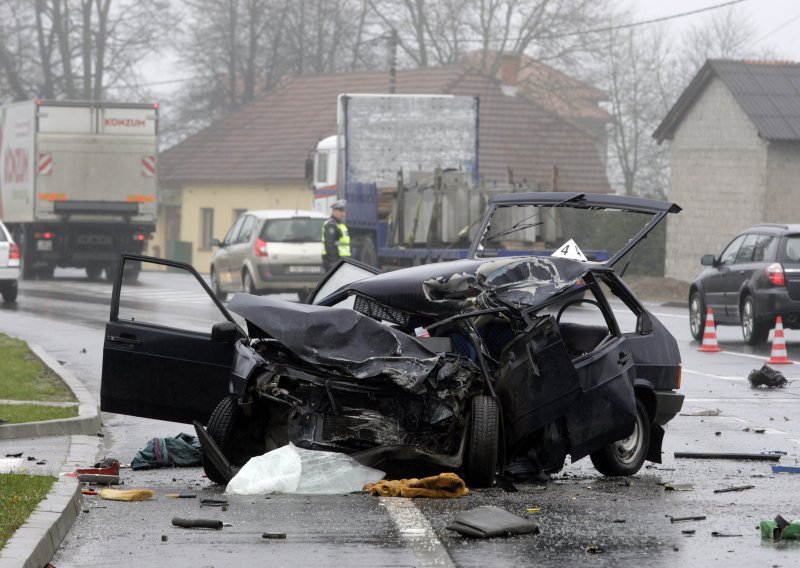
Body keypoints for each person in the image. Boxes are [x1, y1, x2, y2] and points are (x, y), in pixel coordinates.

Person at [322, 199, 350, 271]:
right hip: (334, 260)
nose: (343, 214)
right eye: (341, 211)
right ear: (334, 211)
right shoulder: (331, 224)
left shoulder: (340, 224)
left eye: (344, 211)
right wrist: (334, 261)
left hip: (342, 259)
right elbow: (330, 244)